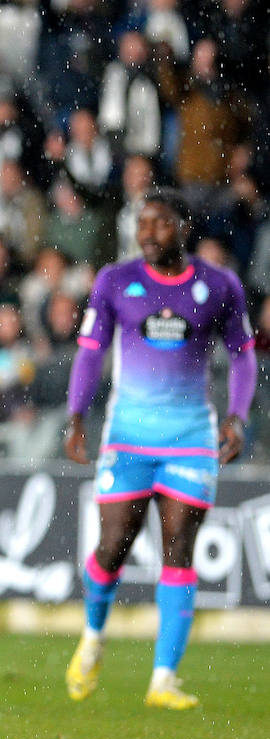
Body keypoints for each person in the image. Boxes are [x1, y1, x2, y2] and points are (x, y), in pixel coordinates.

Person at [63, 188, 256, 710]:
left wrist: (238, 416)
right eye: (142, 224)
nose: (147, 234)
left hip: (192, 440)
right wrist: (76, 414)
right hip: (128, 437)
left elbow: (243, 356)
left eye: (160, 224)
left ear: (184, 228)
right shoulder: (115, 282)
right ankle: (93, 637)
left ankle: (163, 678)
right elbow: (90, 352)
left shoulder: (218, 286)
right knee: (113, 548)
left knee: (179, 547)